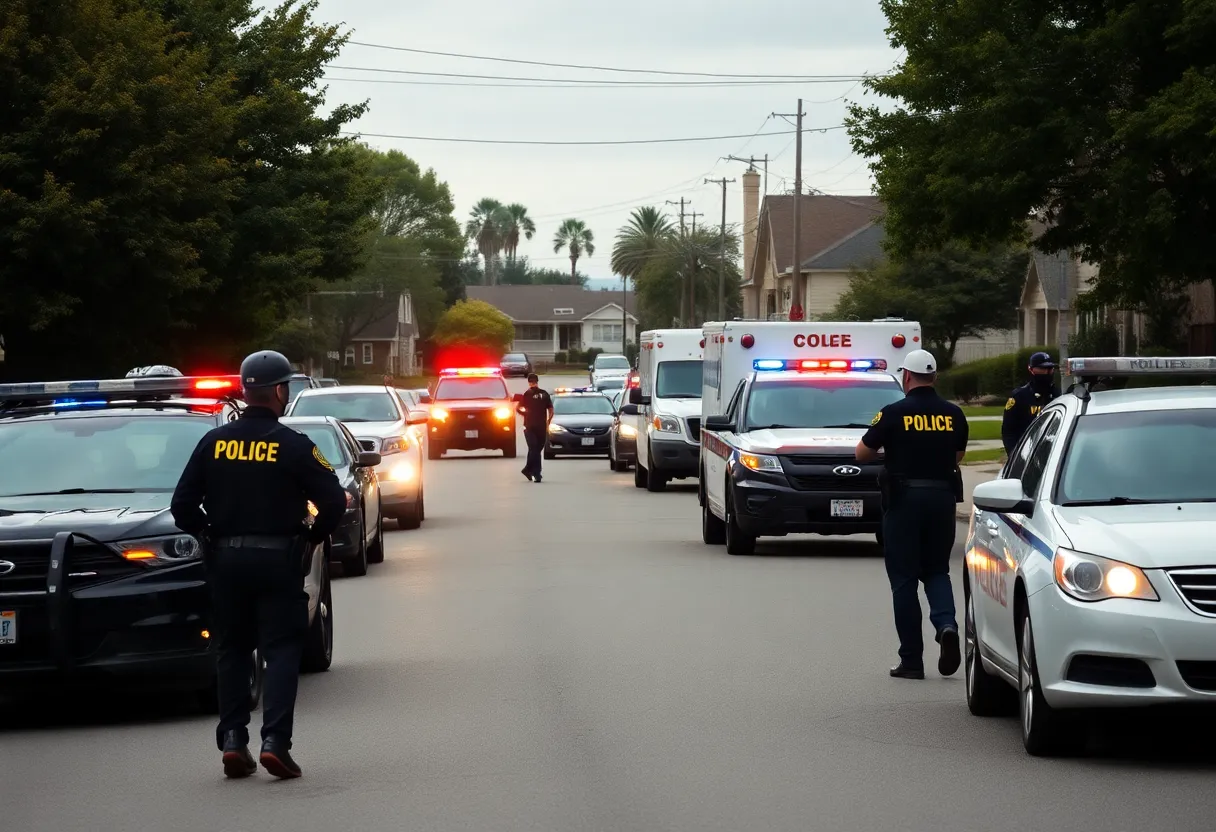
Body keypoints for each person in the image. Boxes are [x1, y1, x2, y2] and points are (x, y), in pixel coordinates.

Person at [170, 350, 346, 780]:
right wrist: (312, 535)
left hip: (226, 561)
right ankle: (275, 744)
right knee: (281, 649)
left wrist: (209, 534)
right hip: (277, 560)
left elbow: (182, 505)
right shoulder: (294, 445)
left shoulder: (213, 442)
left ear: (247, 393)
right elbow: (335, 500)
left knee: (232, 649)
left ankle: (233, 740)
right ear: (281, 392)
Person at [856, 348, 968, 680]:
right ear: (934, 376)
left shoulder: (892, 413)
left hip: (904, 501)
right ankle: (946, 625)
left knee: (904, 580)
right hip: (942, 499)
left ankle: (912, 661)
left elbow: (862, 453)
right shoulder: (954, 414)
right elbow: (958, 455)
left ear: (906, 376)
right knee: (936, 571)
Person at [1001, 352, 1059, 454]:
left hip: (1053, 451)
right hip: (1027, 453)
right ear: (1031, 369)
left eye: (1050, 369)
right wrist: (1014, 455)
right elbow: (1008, 431)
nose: (1047, 372)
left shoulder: (1058, 395)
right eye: (1042, 369)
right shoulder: (1019, 397)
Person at [516, 373, 553, 482]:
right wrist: (548, 420)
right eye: (532, 381)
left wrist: (548, 421)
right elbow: (518, 408)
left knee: (535, 449)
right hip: (534, 426)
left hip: (535, 426)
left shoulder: (535, 394)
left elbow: (550, 408)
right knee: (535, 449)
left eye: (532, 381)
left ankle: (527, 469)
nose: (532, 383)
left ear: (533, 382)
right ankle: (537, 473)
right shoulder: (535, 394)